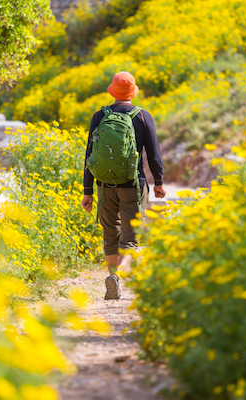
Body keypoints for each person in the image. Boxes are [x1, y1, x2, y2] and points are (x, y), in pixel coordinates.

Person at [81, 71, 165, 300]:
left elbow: (90, 154)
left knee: (110, 234)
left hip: (105, 185)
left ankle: (111, 275)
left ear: (113, 91)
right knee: (132, 238)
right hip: (133, 186)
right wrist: (158, 183)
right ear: (133, 92)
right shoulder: (143, 117)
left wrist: (87, 191)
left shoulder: (100, 116)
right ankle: (117, 278)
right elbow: (154, 156)